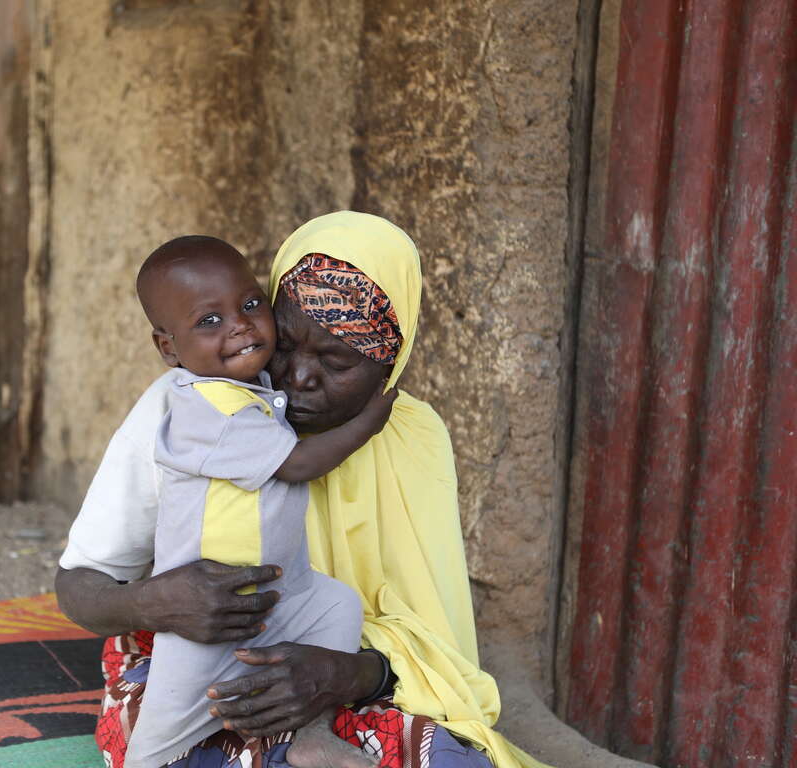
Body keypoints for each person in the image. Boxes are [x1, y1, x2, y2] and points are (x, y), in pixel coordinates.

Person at [57, 211, 548, 768]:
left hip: (342, 687)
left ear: (390, 368)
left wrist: (343, 673)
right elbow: (78, 587)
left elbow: (435, 641)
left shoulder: (411, 438)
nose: (297, 378)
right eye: (285, 345)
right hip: (198, 665)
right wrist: (155, 602)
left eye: (336, 361)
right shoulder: (191, 406)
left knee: (446, 760)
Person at [123, 235, 394, 768]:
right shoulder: (207, 409)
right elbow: (298, 464)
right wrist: (372, 419)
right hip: (213, 606)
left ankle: (312, 735)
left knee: (338, 605)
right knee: (157, 741)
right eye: (210, 321)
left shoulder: (253, 388)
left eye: (250, 304)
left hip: (282, 593)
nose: (240, 327)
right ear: (168, 349)